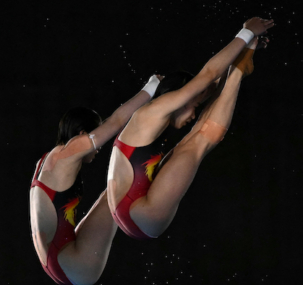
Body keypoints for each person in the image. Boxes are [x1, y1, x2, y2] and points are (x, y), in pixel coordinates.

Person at [107, 18, 274, 239]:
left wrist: (244, 49)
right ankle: (239, 70)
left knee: (193, 138)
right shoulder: (154, 110)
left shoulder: (151, 117)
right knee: (197, 143)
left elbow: (210, 88)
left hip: (132, 211)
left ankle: (239, 68)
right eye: (194, 106)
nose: (194, 114)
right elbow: (208, 75)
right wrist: (245, 33)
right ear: (179, 95)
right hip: (142, 213)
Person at [29, 75, 163, 285]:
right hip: (75, 265)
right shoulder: (70, 151)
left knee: (108, 195)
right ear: (83, 134)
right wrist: (152, 87)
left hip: (56, 261)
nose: (98, 147)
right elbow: (117, 121)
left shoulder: (45, 161)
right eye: (96, 134)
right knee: (119, 187)